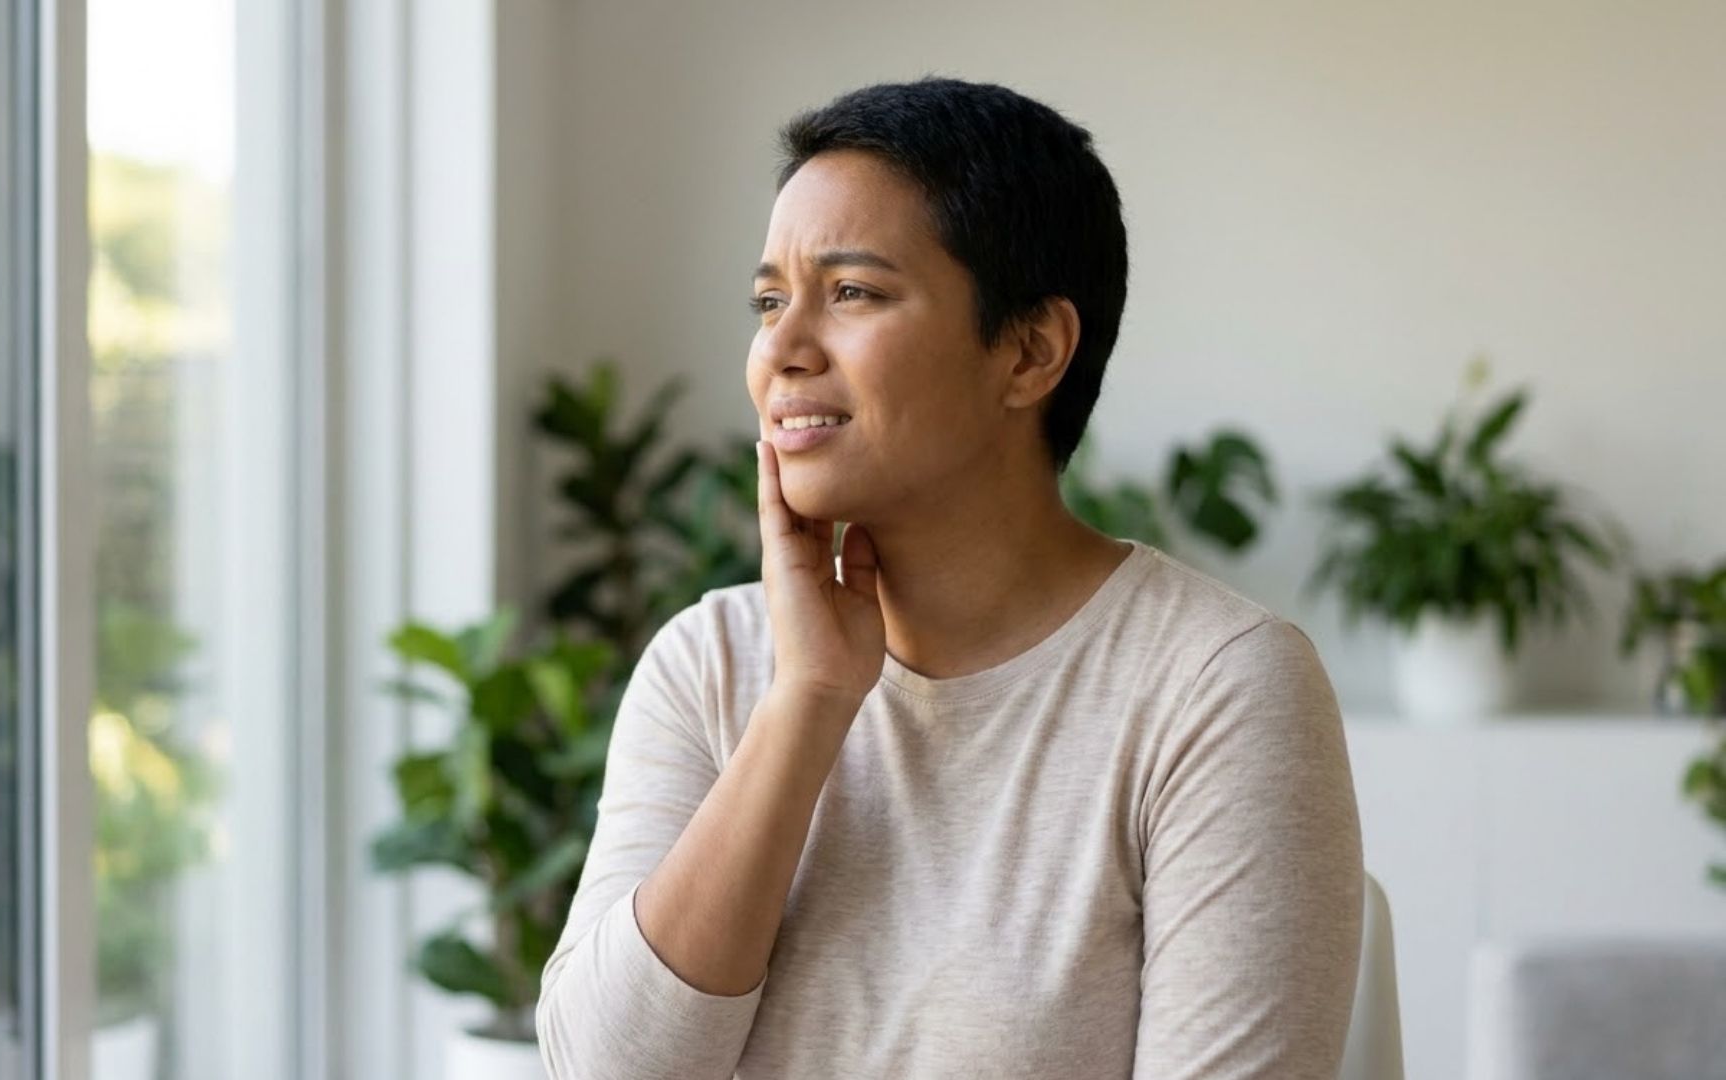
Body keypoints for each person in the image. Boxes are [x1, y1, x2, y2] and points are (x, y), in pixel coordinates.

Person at [536, 76, 1362, 1079]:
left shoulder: (1216, 686)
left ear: (1029, 351)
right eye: (768, 301)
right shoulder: (708, 664)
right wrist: (806, 700)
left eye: (851, 293)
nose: (781, 353)